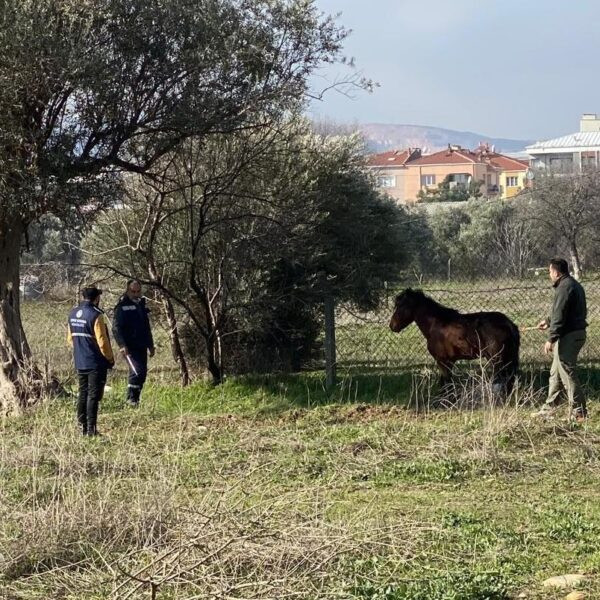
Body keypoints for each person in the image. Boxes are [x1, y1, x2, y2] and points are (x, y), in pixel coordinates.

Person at [532, 258, 588, 422]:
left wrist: (551, 337)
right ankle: (549, 409)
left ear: (556, 272)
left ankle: (580, 412)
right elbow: (563, 311)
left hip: (569, 335)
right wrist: (547, 321)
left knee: (567, 372)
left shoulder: (564, 288)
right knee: (555, 373)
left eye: (549, 272)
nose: (549, 275)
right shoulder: (572, 284)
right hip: (575, 333)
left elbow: (560, 314)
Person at [67, 286, 115, 436]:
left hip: (80, 360)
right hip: (95, 362)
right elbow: (102, 341)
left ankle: (81, 427)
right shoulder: (96, 315)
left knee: (83, 393)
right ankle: (91, 430)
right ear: (96, 298)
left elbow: (70, 340)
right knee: (93, 395)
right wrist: (110, 358)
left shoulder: (73, 313)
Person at [112, 279, 155, 406]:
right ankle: (131, 399)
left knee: (142, 374)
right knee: (136, 371)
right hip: (129, 346)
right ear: (127, 290)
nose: (136, 294)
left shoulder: (141, 305)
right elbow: (116, 328)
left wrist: (151, 345)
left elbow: (146, 327)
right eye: (133, 291)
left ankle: (136, 399)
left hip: (142, 344)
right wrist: (122, 345)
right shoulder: (122, 307)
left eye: (138, 291)